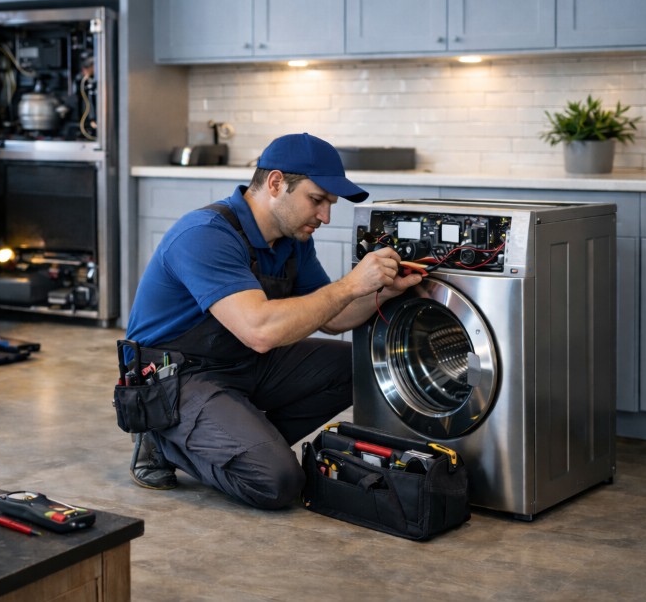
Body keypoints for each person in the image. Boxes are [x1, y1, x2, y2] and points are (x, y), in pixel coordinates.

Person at [122, 133, 423, 509]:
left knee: (361, 368)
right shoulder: (205, 235)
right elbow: (261, 331)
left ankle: (242, 440)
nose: (325, 217)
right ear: (276, 183)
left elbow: (334, 317)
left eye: (330, 204)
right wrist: (350, 284)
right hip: (178, 378)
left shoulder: (292, 239)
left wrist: (387, 291)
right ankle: (163, 442)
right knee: (277, 482)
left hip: (243, 361)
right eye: (317, 200)